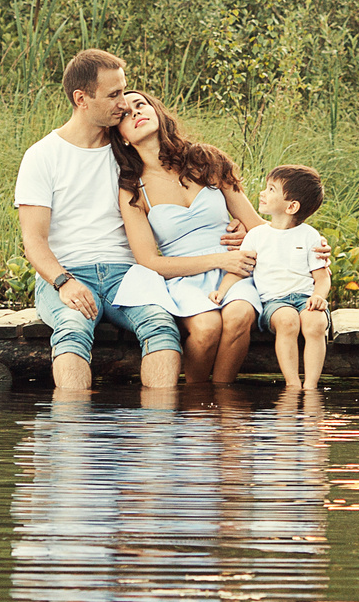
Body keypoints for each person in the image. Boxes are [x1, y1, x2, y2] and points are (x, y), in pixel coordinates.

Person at [14, 50, 184, 392]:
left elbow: (182, 191)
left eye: (124, 90)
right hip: (68, 272)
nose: (125, 103)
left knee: (161, 325)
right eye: (114, 94)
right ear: (82, 99)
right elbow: (34, 241)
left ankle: (159, 435)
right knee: (73, 328)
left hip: (128, 274)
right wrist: (64, 282)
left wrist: (231, 223)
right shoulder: (42, 156)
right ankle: (74, 437)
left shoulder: (128, 149)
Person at [109, 90, 268, 387]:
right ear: (123, 137)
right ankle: (195, 404)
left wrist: (306, 241)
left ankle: (222, 405)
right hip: (185, 275)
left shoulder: (205, 160)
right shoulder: (133, 188)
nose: (136, 113)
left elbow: (256, 224)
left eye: (140, 105)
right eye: (126, 114)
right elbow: (149, 261)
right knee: (207, 327)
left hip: (235, 271)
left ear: (156, 111)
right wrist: (220, 258)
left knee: (239, 316)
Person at [207, 165, 330, 389]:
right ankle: (293, 384)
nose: (262, 193)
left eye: (271, 189)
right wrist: (221, 291)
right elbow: (239, 269)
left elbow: (321, 277)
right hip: (275, 301)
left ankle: (311, 386)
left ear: (291, 206)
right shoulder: (256, 236)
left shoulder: (310, 236)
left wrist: (319, 296)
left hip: (305, 297)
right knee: (287, 321)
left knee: (315, 322)